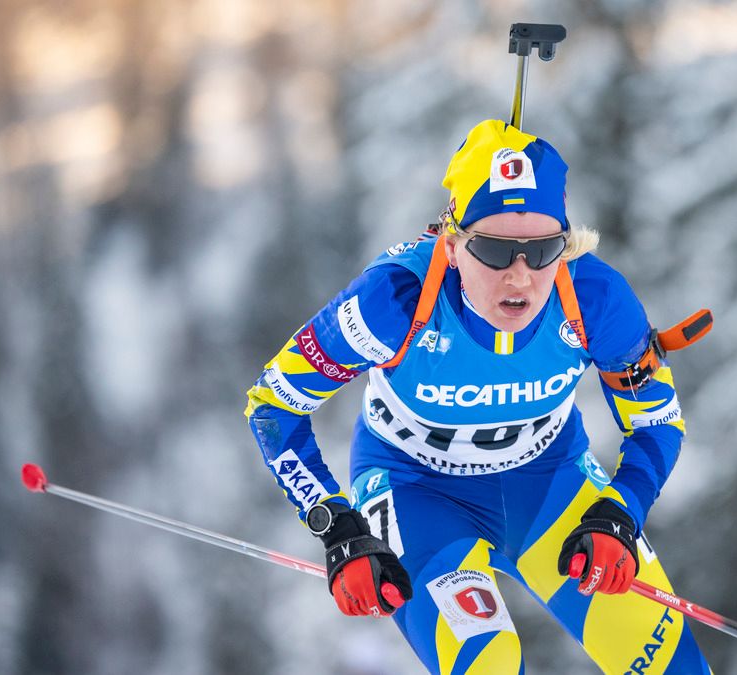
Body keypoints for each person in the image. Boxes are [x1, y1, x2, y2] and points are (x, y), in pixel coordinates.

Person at [245, 119, 712, 673]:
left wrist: (621, 509)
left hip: (551, 482)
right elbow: (273, 405)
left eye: (543, 251)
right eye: (493, 251)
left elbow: (656, 421)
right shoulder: (393, 301)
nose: (520, 276)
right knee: (489, 665)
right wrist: (336, 524)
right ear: (452, 244)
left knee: (671, 667)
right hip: (417, 490)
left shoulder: (596, 299)